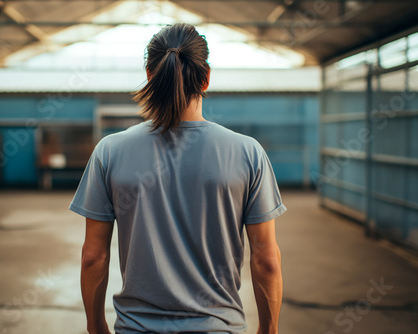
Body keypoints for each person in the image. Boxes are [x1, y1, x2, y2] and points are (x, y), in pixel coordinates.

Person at [69, 23, 287, 334]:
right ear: (206, 77)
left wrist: (95, 326)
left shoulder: (110, 151)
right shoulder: (247, 153)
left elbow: (94, 256)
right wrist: (269, 330)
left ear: (149, 74)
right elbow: (266, 260)